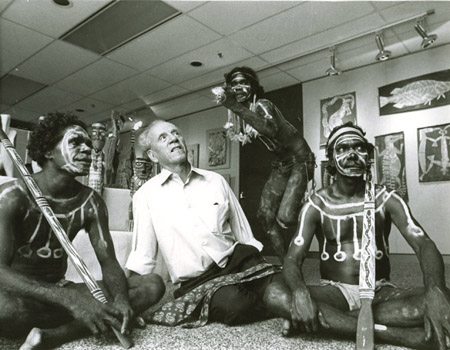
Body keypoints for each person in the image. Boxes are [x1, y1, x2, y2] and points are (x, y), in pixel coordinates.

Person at [263, 122, 450, 350]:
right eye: (342, 149)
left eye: (359, 148)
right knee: (274, 293)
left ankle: (324, 320)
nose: (352, 154)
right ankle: (393, 335)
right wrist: (301, 293)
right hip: (335, 292)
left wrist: (435, 290)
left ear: (369, 155)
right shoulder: (316, 204)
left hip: (380, 292)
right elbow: (292, 259)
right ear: (331, 159)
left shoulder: (386, 198)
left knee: (444, 298)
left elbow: (423, 245)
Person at [0, 112, 165, 350]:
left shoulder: (90, 201)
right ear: (48, 151)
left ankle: (55, 336)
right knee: (3, 309)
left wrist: (120, 299)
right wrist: (70, 300)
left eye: (89, 143)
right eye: (76, 142)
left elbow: (108, 262)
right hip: (20, 291)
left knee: (153, 284)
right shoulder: (12, 196)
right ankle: (94, 317)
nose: (88, 149)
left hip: (60, 285)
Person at [125, 120, 282, 328]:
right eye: (163, 138)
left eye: (175, 132)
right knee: (236, 306)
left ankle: (285, 302)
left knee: (281, 285)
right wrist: (131, 303)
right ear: (153, 156)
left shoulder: (216, 180)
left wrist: (258, 263)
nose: (173, 138)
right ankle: (281, 307)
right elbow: (142, 255)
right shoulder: (145, 195)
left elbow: (242, 231)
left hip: (237, 261)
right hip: (197, 280)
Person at [215, 66, 315, 261]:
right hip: (281, 164)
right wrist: (237, 109)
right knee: (265, 216)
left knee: (286, 217)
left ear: (253, 87)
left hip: (300, 159)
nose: (238, 87)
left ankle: (316, 211)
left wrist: (235, 106)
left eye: (244, 82)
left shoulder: (262, 104)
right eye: (234, 84)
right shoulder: (242, 115)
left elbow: (270, 130)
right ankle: (287, 263)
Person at [87, 122, 107, 194]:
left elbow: (104, 171)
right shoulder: (88, 154)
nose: (98, 137)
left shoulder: (103, 155)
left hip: (99, 184)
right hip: (89, 183)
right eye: (94, 133)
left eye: (102, 133)